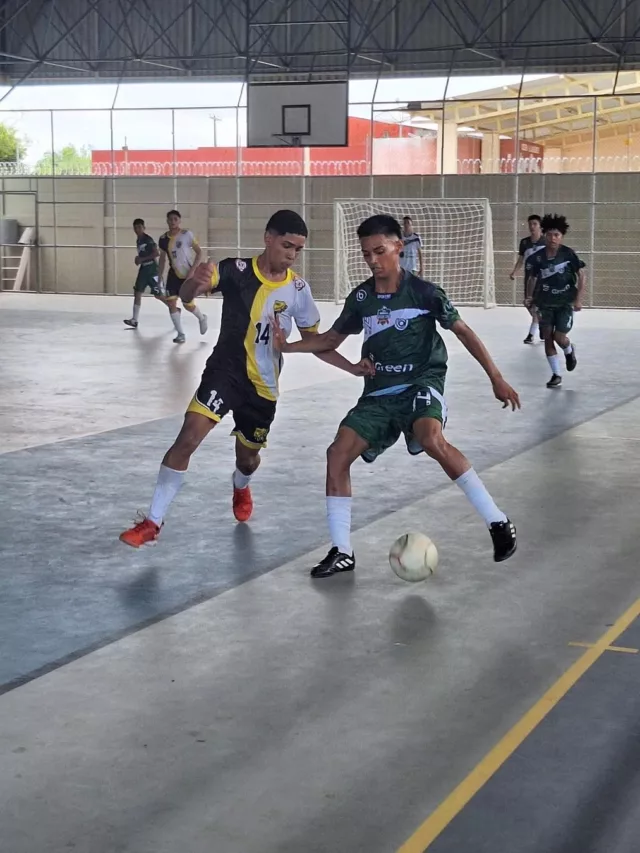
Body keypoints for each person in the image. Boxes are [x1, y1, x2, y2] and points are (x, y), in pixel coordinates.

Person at [271, 214, 519, 578]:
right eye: (366, 253)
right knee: (337, 453)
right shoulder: (361, 298)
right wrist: (288, 346)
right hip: (379, 392)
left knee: (431, 438)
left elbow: (464, 333)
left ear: (399, 248)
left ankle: (498, 522)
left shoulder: (424, 292)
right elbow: (328, 341)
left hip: (422, 382)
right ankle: (342, 550)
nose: (373, 260)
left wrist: (496, 377)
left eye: (380, 251)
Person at [119, 210, 373, 548]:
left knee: (247, 458)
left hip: (263, 388)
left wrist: (352, 366)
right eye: (287, 245)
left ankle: (240, 484)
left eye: (298, 249)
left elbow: (317, 342)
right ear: (268, 238)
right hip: (225, 373)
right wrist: (195, 279)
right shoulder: (235, 270)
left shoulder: (297, 290)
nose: (291, 254)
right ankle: (152, 521)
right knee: (188, 437)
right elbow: (191, 294)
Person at [525, 213, 585, 389]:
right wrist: (529, 297)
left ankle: (568, 349)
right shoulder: (537, 258)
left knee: (559, 337)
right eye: (550, 234)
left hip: (564, 303)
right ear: (545, 235)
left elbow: (581, 275)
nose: (553, 238)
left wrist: (578, 300)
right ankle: (556, 374)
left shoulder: (568, 254)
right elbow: (532, 278)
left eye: (557, 235)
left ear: (562, 236)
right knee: (548, 338)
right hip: (544, 303)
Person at [158, 209, 207, 344]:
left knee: (188, 305)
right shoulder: (163, 239)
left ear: (179, 221)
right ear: (167, 221)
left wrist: (193, 270)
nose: (173, 222)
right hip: (173, 275)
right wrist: (159, 276)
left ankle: (202, 318)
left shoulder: (187, 234)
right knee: (171, 302)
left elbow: (199, 253)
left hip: (187, 275)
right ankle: (181, 334)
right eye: (170, 219)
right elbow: (162, 259)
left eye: (175, 219)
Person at [509, 214, 545, 344]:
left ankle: (531, 334)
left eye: (535, 224)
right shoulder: (524, 243)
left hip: (542, 279)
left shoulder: (546, 241)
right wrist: (515, 271)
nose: (532, 226)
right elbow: (521, 260)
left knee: (535, 305)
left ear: (540, 226)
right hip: (529, 277)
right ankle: (541, 324)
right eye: (530, 224)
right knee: (528, 303)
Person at [124, 218, 164, 329]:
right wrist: (139, 259)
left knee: (159, 294)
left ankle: (174, 309)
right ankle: (134, 319)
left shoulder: (148, 239)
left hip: (151, 270)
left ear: (144, 228)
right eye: (135, 227)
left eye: (140, 227)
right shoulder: (139, 240)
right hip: (143, 270)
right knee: (137, 291)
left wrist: (142, 259)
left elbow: (156, 253)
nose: (137, 229)